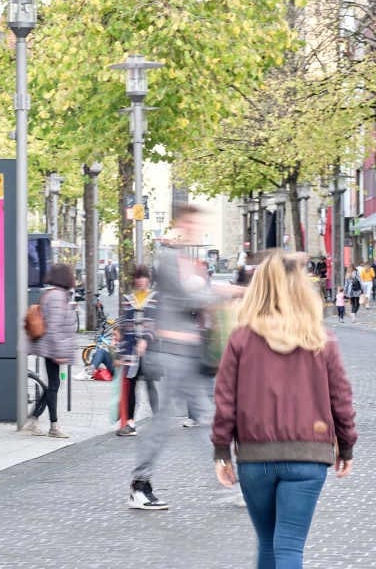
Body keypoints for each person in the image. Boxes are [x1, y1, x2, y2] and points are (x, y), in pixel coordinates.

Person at [212, 251, 356, 567]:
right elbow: (341, 400)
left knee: (267, 542)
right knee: (289, 545)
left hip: (256, 455)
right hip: (308, 455)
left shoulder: (241, 339)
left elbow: (225, 400)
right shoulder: (321, 339)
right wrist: (346, 447)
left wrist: (222, 451)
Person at [129, 204, 239, 510]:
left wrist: (226, 291)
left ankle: (231, 483)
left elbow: (200, 294)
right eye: (190, 222)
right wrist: (226, 293)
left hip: (189, 354)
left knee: (208, 417)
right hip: (172, 353)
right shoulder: (167, 259)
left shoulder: (188, 261)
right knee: (166, 421)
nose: (195, 228)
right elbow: (187, 298)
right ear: (179, 224)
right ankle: (140, 484)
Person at [22, 263, 77, 439]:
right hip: (53, 348)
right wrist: (59, 352)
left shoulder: (53, 294)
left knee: (53, 385)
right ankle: (53, 425)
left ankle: (34, 419)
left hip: (51, 347)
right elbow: (54, 327)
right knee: (53, 386)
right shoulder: (57, 297)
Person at [117, 265, 159, 437]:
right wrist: (120, 354)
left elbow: (157, 323)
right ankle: (130, 423)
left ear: (148, 279)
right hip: (131, 351)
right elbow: (124, 328)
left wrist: (146, 339)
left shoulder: (155, 299)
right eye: (138, 277)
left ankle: (158, 421)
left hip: (150, 351)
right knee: (131, 386)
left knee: (150, 385)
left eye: (144, 277)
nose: (141, 280)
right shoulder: (128, 300)